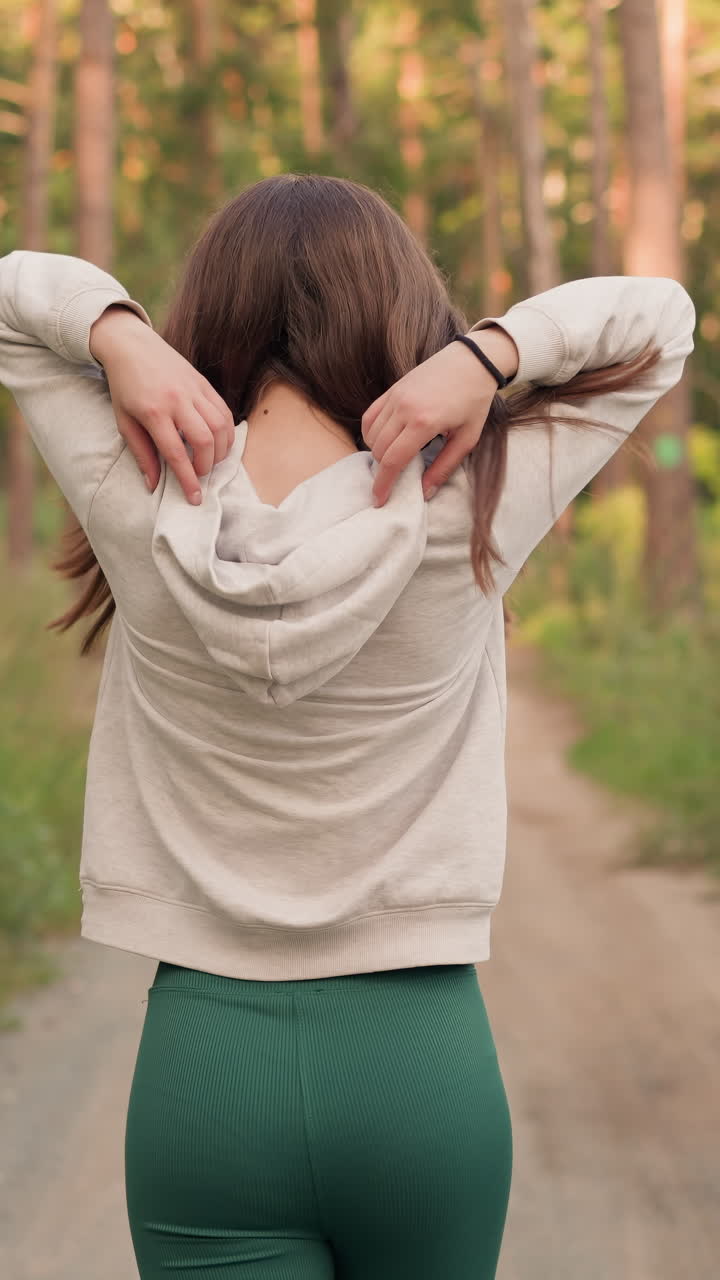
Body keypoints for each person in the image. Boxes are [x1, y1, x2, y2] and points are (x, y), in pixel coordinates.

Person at [0, 173, 695, 1280]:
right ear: (402, 313)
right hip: (421, 1062)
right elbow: (661, 323)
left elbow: (12, 297)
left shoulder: (141, 493)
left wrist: (118, 336)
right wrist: (485, 357)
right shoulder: (473, 491)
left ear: (205, 322)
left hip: (205, 1069)